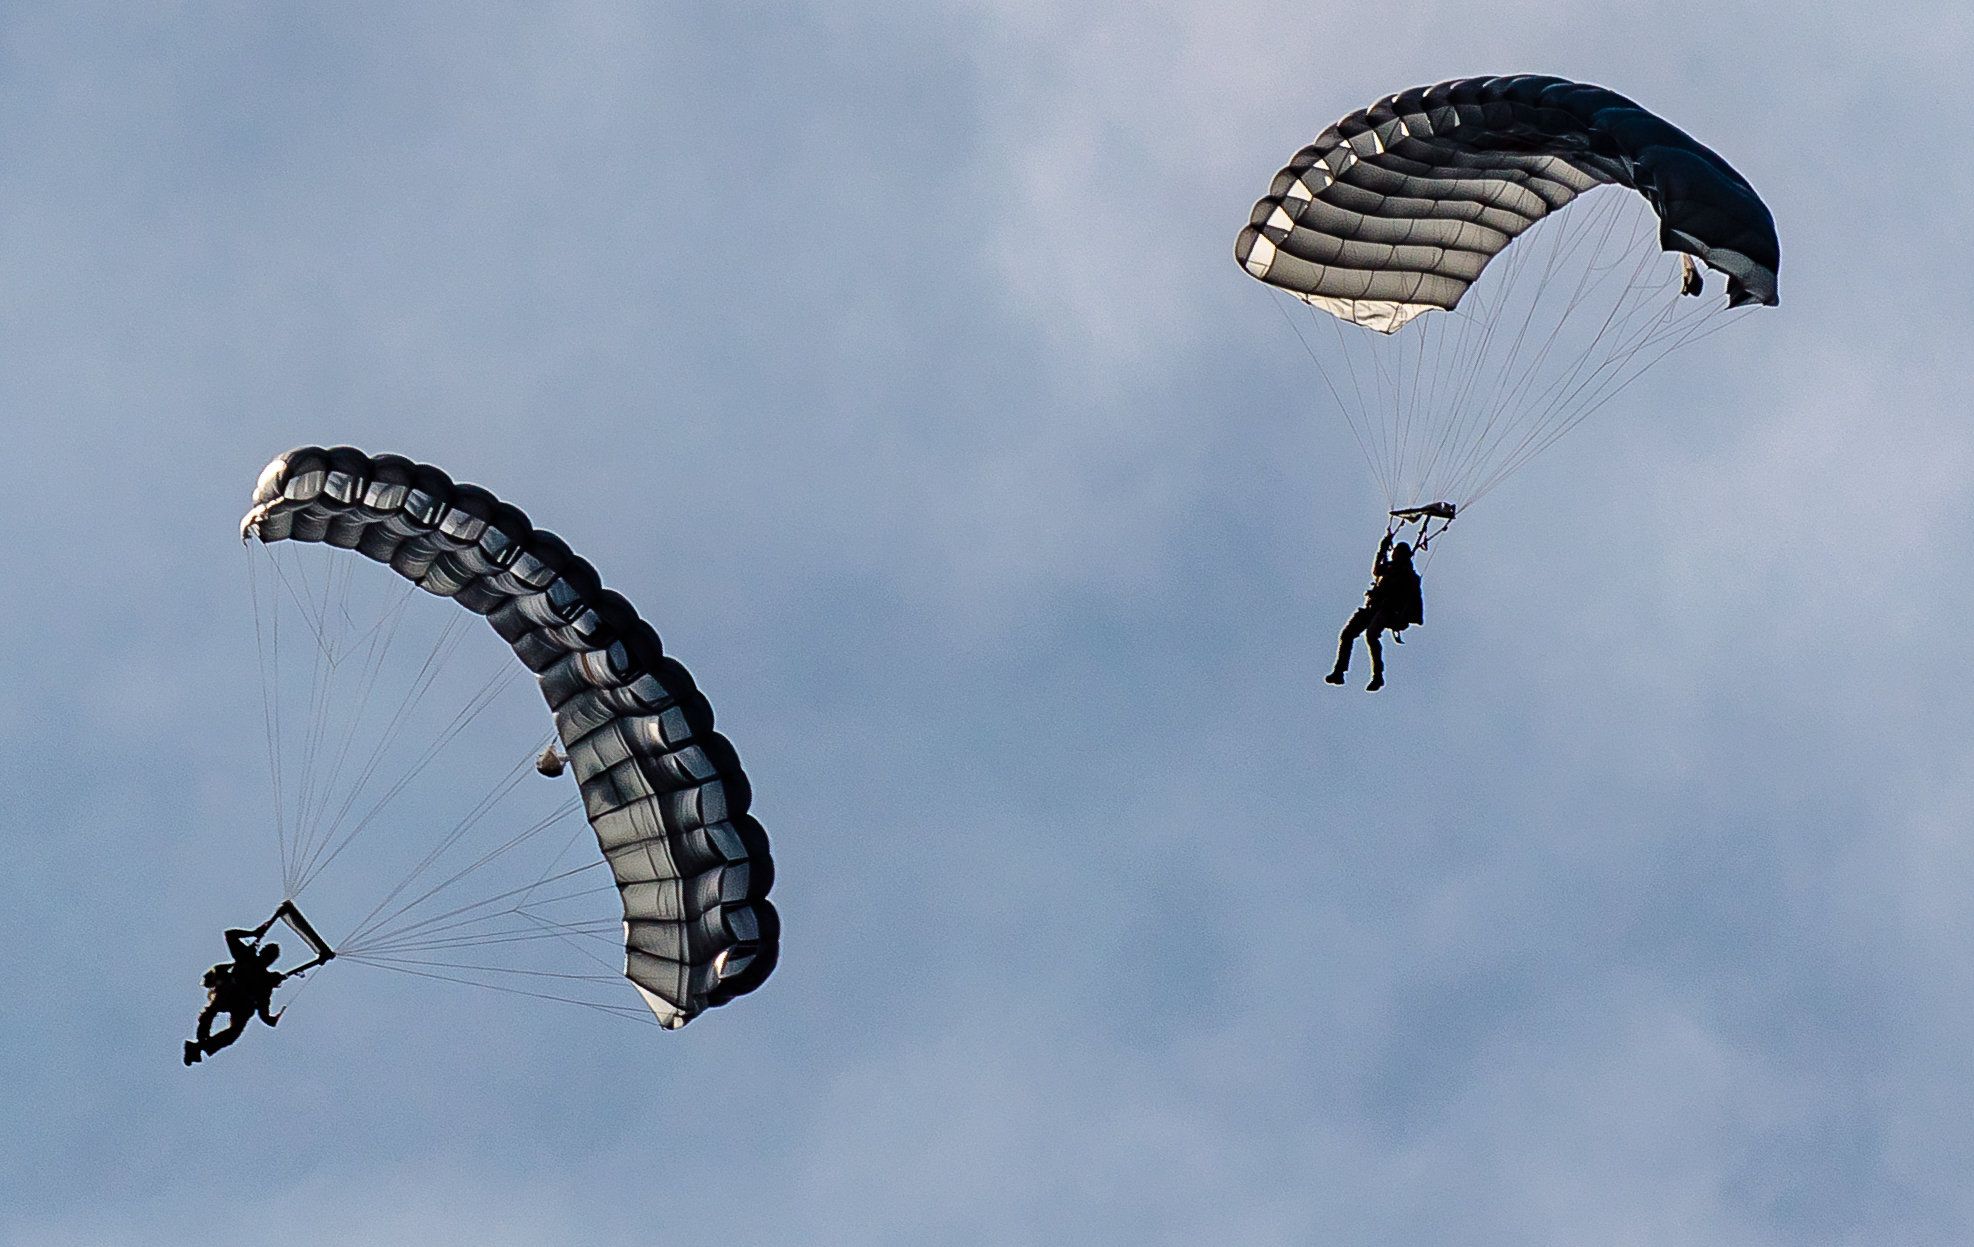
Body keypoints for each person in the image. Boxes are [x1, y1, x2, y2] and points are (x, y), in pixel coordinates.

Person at [184, 902, 331, 1065]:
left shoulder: (266, 981)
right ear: (263, 953)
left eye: (271, 957)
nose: (267, 959)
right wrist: (254, 933)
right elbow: (230, 935)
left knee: (233, 1032)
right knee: (212, 1011)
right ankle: (199, 1042)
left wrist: (272, 1018)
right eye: (267, 954)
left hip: (242, 1003)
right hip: (231, 991)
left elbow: (263, 1013)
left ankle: (198, 1047)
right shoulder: (247, 957)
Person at [1326, 530, 1424, 692]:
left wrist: (1407, 618)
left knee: (1371, 635)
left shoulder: (1409, 576)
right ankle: (1339, 672)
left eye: (1397, 554)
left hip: (1389, 611)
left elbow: (1415, 599)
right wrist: (1382, 548)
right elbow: (1376, 571)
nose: (1394, 556)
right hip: (1372, 607)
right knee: (1347, 634)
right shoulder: (1389, 568)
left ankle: (1377, 676)